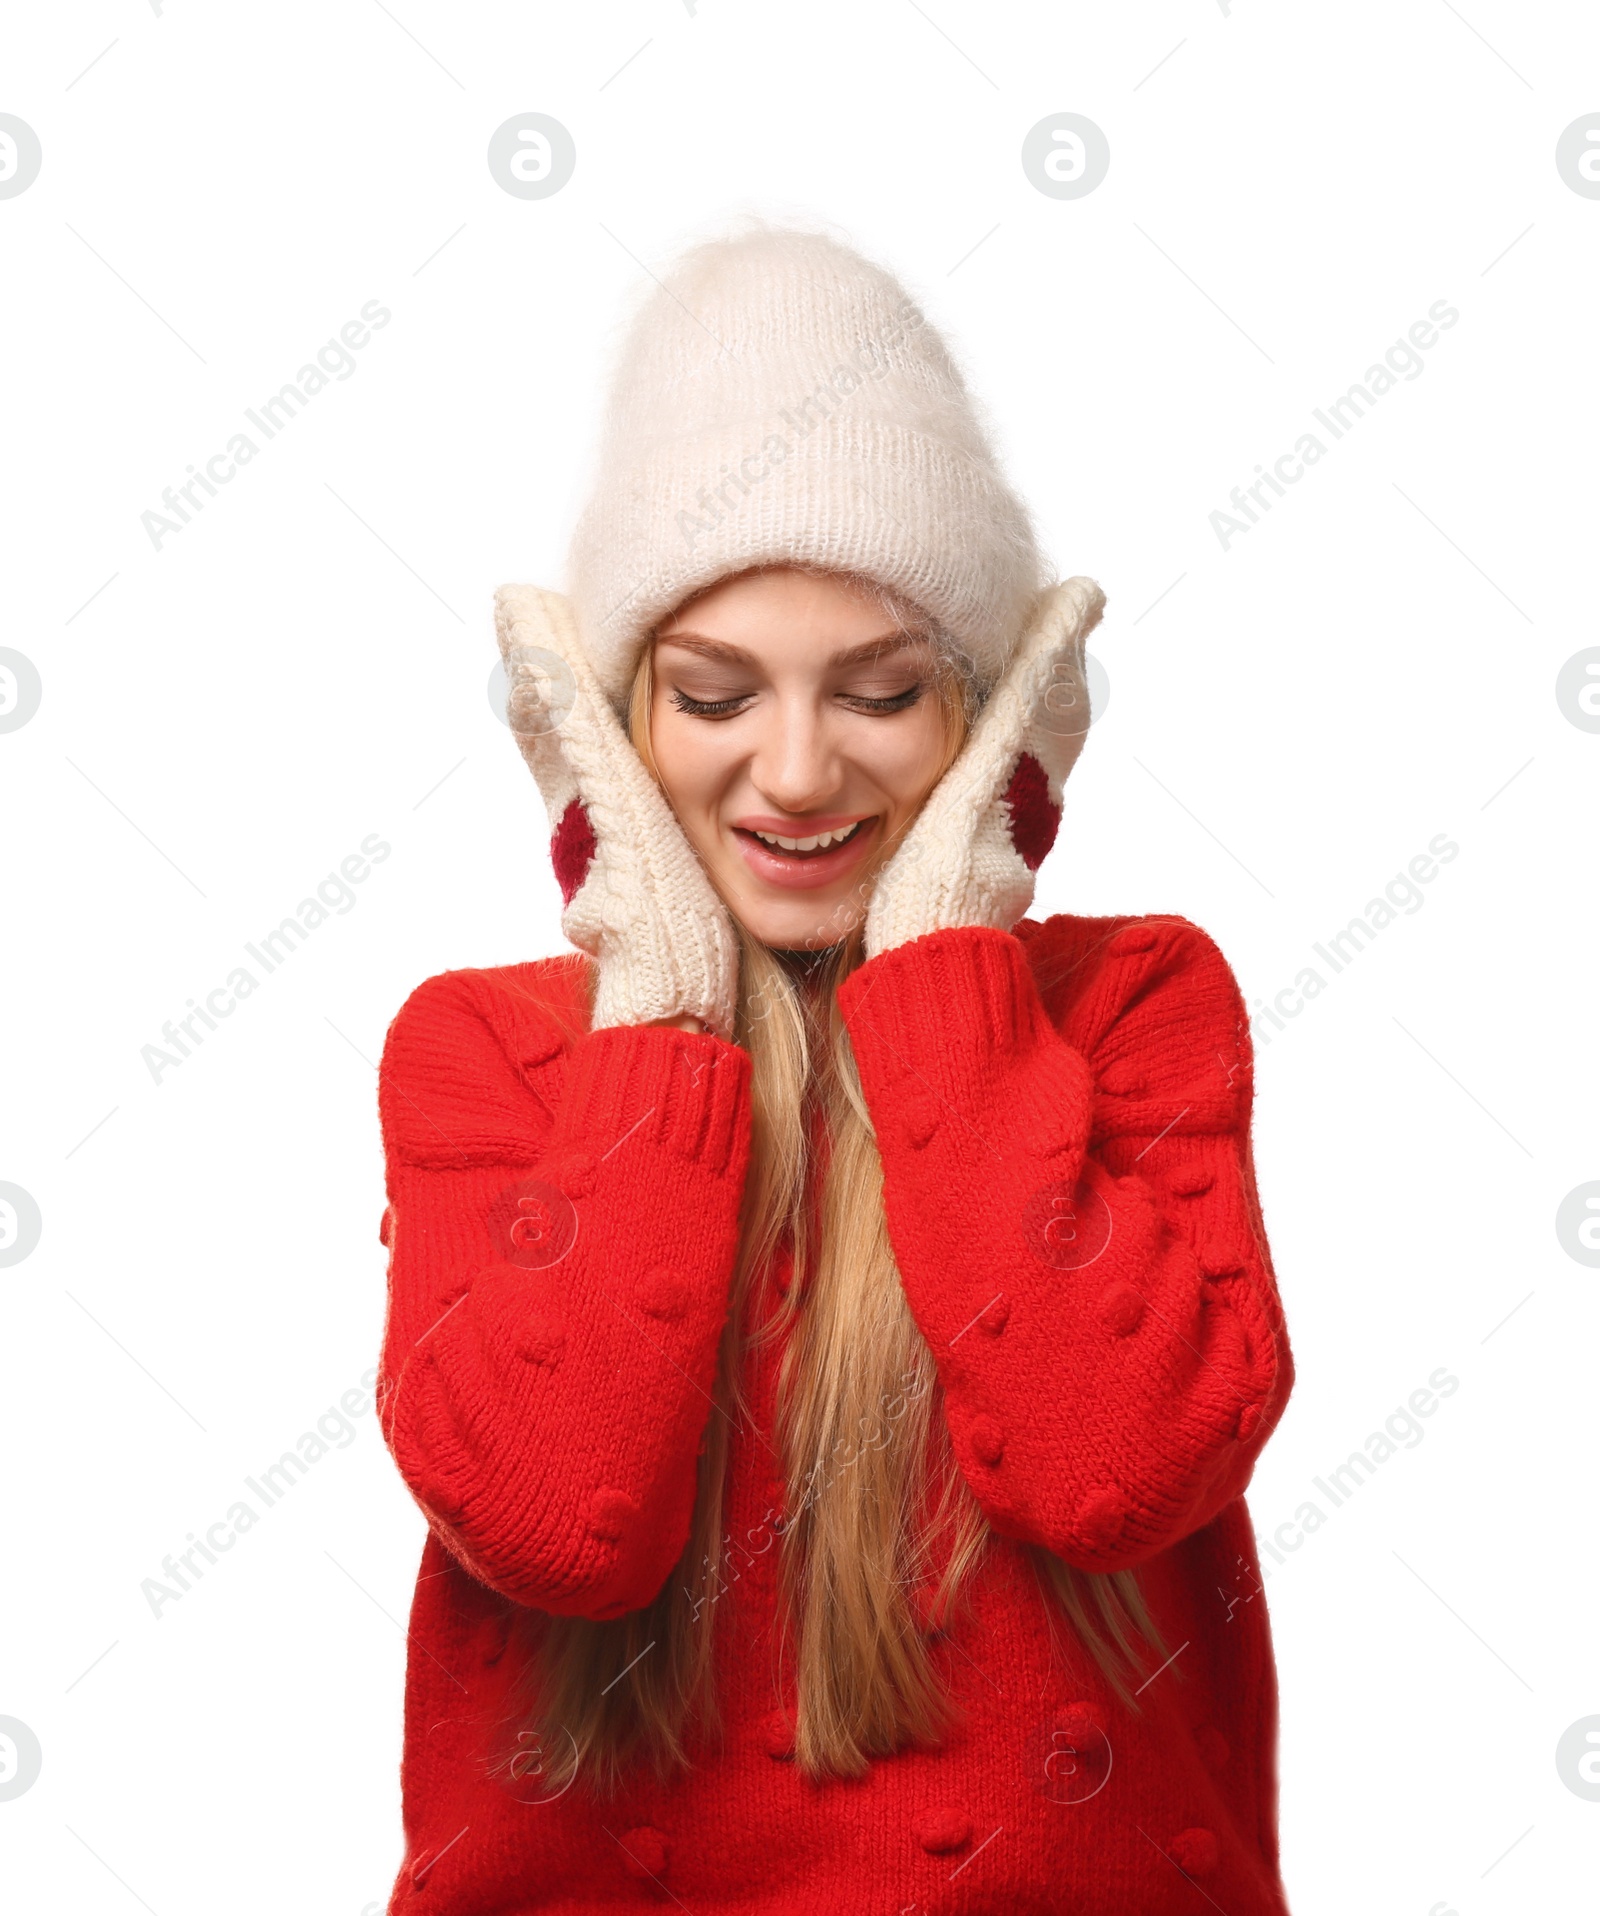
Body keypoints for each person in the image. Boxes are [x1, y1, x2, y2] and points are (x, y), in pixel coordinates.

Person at [374, 224, 1295, 1914]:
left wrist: (948, 961)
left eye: (879, 693)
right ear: (610, 720)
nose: (795, 773)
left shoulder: (1137, 1006)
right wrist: (655, 1008)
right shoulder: (487, 1055)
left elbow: (1126, 1464)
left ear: (991, 715)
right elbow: (559, 1517)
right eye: (715, 697)